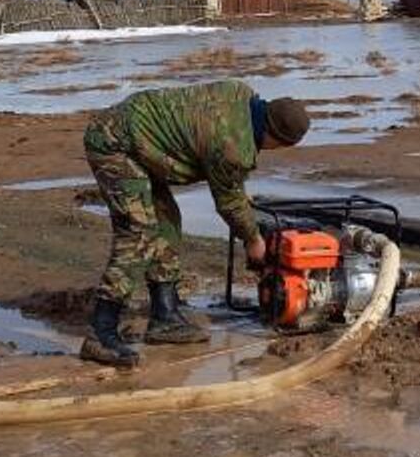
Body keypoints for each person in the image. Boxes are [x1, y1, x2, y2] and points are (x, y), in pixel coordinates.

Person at [79, 80, 311, 367]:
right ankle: (100, 331)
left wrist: (241, 202)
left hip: (140, 140)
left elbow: (228, 178)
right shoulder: (232, 146)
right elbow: (228, 201)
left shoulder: (240, 95)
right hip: (115, 143)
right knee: (139, 232)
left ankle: (164, 316)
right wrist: (253, 240)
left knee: (166, 222)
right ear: (278, 140)